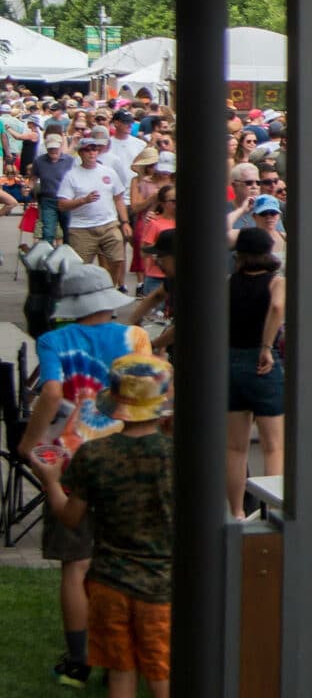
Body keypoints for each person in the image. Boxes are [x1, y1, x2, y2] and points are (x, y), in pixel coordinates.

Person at [17, 261, 150, 688]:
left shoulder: (54, 339)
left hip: (73, 456)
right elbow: (145, 395)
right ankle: (128, 651)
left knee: (76, 564)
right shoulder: (135, 336)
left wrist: (29, 442)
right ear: (108, 302)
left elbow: (52, 392)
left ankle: (78, 660)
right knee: (126, 556)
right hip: (127, 452)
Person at [32, 353, 176, 698]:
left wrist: (51, 481)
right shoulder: (179, 456)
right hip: (162, 584)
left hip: (108, 582)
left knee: (120, 672)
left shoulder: (94, 455)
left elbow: (70, 518)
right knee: (161, 674)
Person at [224, 228, 285, 518]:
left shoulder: (228, 283)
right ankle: (269, 511)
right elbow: (277, 307)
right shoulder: (276, 282)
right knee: (273, 446)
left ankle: (236, 511)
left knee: (236, 448)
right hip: (263, 363)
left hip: (231, 360)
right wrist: (266, 345)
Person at [59, 131, 131, 289]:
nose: (92, 153)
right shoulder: (72, 175)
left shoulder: (109, 172)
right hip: (81, 228)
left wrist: (125, 222)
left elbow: (119, 198)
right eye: (87, 149)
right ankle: (82, 297)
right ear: (80, 153)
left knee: (117, 259)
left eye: (94, 149)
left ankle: (108, 290)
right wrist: (83, 200)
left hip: (108, 224)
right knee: (79, 268)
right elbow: (62, 204)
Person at [31, 124, 72, 242]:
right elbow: (33, 178)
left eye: (55, 148)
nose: (53, 150)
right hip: (47, 200)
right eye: (50, 148)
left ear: (60, 146)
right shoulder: (39, 161)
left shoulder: (69, 161)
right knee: (48, 232)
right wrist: (28, 189)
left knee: (67, 231)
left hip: (66, 200)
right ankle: (46, 256)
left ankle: (67, 256)